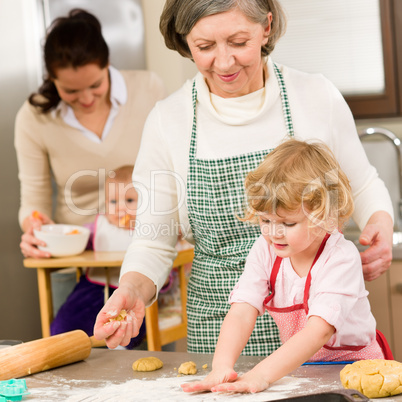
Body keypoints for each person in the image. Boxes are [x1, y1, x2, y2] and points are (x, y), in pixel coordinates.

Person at [93, 0, 394, 354]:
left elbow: (362, 184)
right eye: (204, 47)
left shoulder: (314, 95)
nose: (223, 62)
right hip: (219, 331)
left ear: (265, 27)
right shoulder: (168, 120)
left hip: (319, 329)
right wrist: (131, 288)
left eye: (238, 42)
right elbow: (153, 240)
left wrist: (380, 222)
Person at [181, 139, 393, 394]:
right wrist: (221, 366)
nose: (273, 233)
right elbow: (241, 311)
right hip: (304, 370)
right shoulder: (265, 250)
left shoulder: (340, 258)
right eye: (265, 220)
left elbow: (318, 332)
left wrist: (260, 375)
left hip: (359, 369)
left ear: (324, 215)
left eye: (288, 223)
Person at [15, 9, 166, 259]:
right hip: (74, 257)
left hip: (147, 252)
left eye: (95, 85)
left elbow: (175, 171)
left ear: (107, 65)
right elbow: (34, 198)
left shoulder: (148, 89)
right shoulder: (34, 117)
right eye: (71, 90)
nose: (86, 99)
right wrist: (34, 224)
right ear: (52, 79)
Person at [51, 165, 147, 348]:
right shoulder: (99, 227)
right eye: (113, 202)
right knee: (66, 320)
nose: (120, 208)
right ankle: (62, 344)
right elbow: (78, 240)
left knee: (131, 327)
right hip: (94, 286)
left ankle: (121, 346)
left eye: (129, 200)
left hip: (130, 293)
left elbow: (161, 263)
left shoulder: (147, 230)